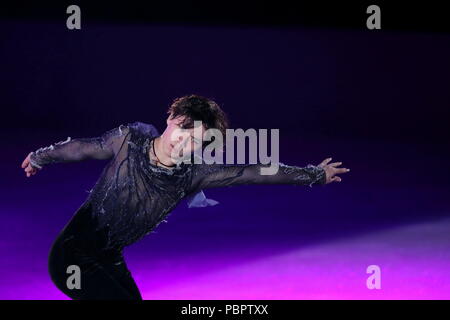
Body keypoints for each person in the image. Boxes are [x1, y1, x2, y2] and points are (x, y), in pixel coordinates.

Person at [21, 94, 349, 300]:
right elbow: (83, 147)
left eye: (196, 141)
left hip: (109, 259)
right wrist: (39, 157)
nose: (183, 142)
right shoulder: (129, 141)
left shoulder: (194, 174)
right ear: (171, 118)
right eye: (183, 130)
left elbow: (254, 171)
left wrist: (314, 174)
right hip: (71, 258)